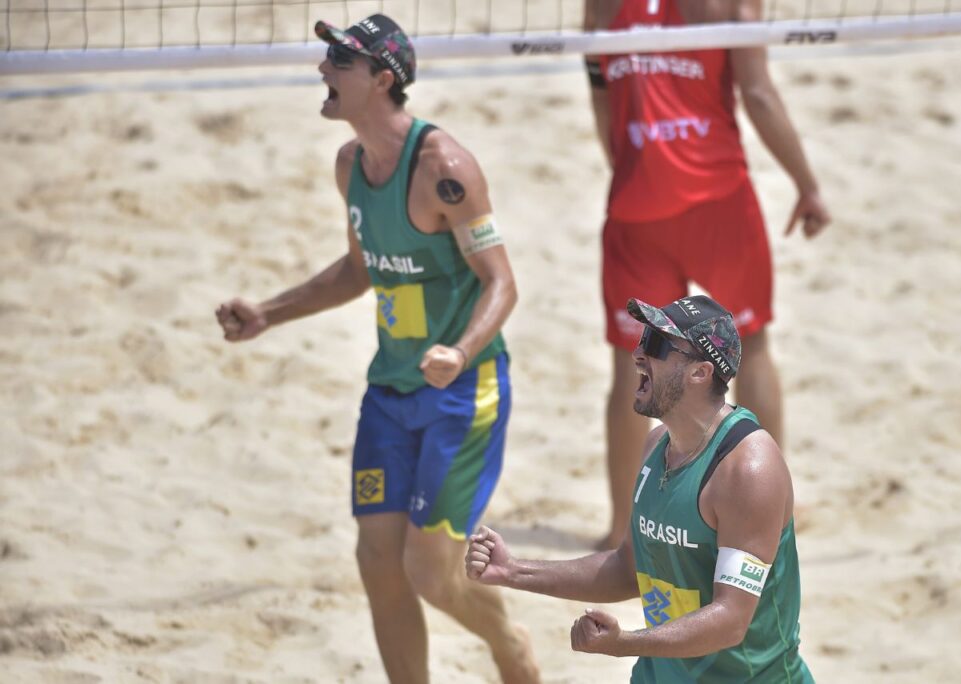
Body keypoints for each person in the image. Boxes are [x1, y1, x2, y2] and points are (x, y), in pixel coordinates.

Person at [214, 14, 539, 684]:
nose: (322, 70)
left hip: (460, 392)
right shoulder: (350, 167)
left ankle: (510, 645)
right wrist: (268, 314)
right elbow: (360, 271)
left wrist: (460, 349)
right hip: (390, 393)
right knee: (377, 564)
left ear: (383, 78)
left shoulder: (444, 168)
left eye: (340, 60)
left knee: (431, 573)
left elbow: (501, 281)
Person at [584, 0, 832, 549]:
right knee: (753, 344)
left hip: (636, 204)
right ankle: (772, 513)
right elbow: (760, 95)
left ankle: (625, 529)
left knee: (635, 365)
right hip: (718, 201)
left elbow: (602, 105)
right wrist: (807, 184)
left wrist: (637, 171)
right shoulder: (728, 3)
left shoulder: (600, 5)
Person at [466, 294, 813, 682]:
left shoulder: (747, 470)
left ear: (700, 373)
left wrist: (625, 642)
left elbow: (731, 618)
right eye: (643, 338)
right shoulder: (655, 447)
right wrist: (513, 571)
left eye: (657, 345)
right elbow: (628, 569)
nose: (638, 354)